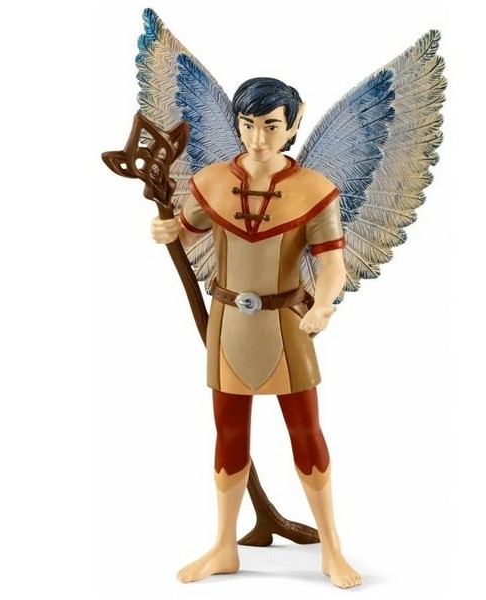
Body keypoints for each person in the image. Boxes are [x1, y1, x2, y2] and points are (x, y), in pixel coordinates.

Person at [151, 77, 361, 589]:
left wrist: (324, 305)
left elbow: (332, 265)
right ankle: (224, 545)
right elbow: (189, 229)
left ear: (292, 123)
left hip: (287, 325)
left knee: (306, 431)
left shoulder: (315, 190)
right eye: (248, 125)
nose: (258, 139)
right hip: (228, 325)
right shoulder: (212, 181)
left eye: (270, 126)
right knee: (229, 433)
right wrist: (168, 229)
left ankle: (331, 547)